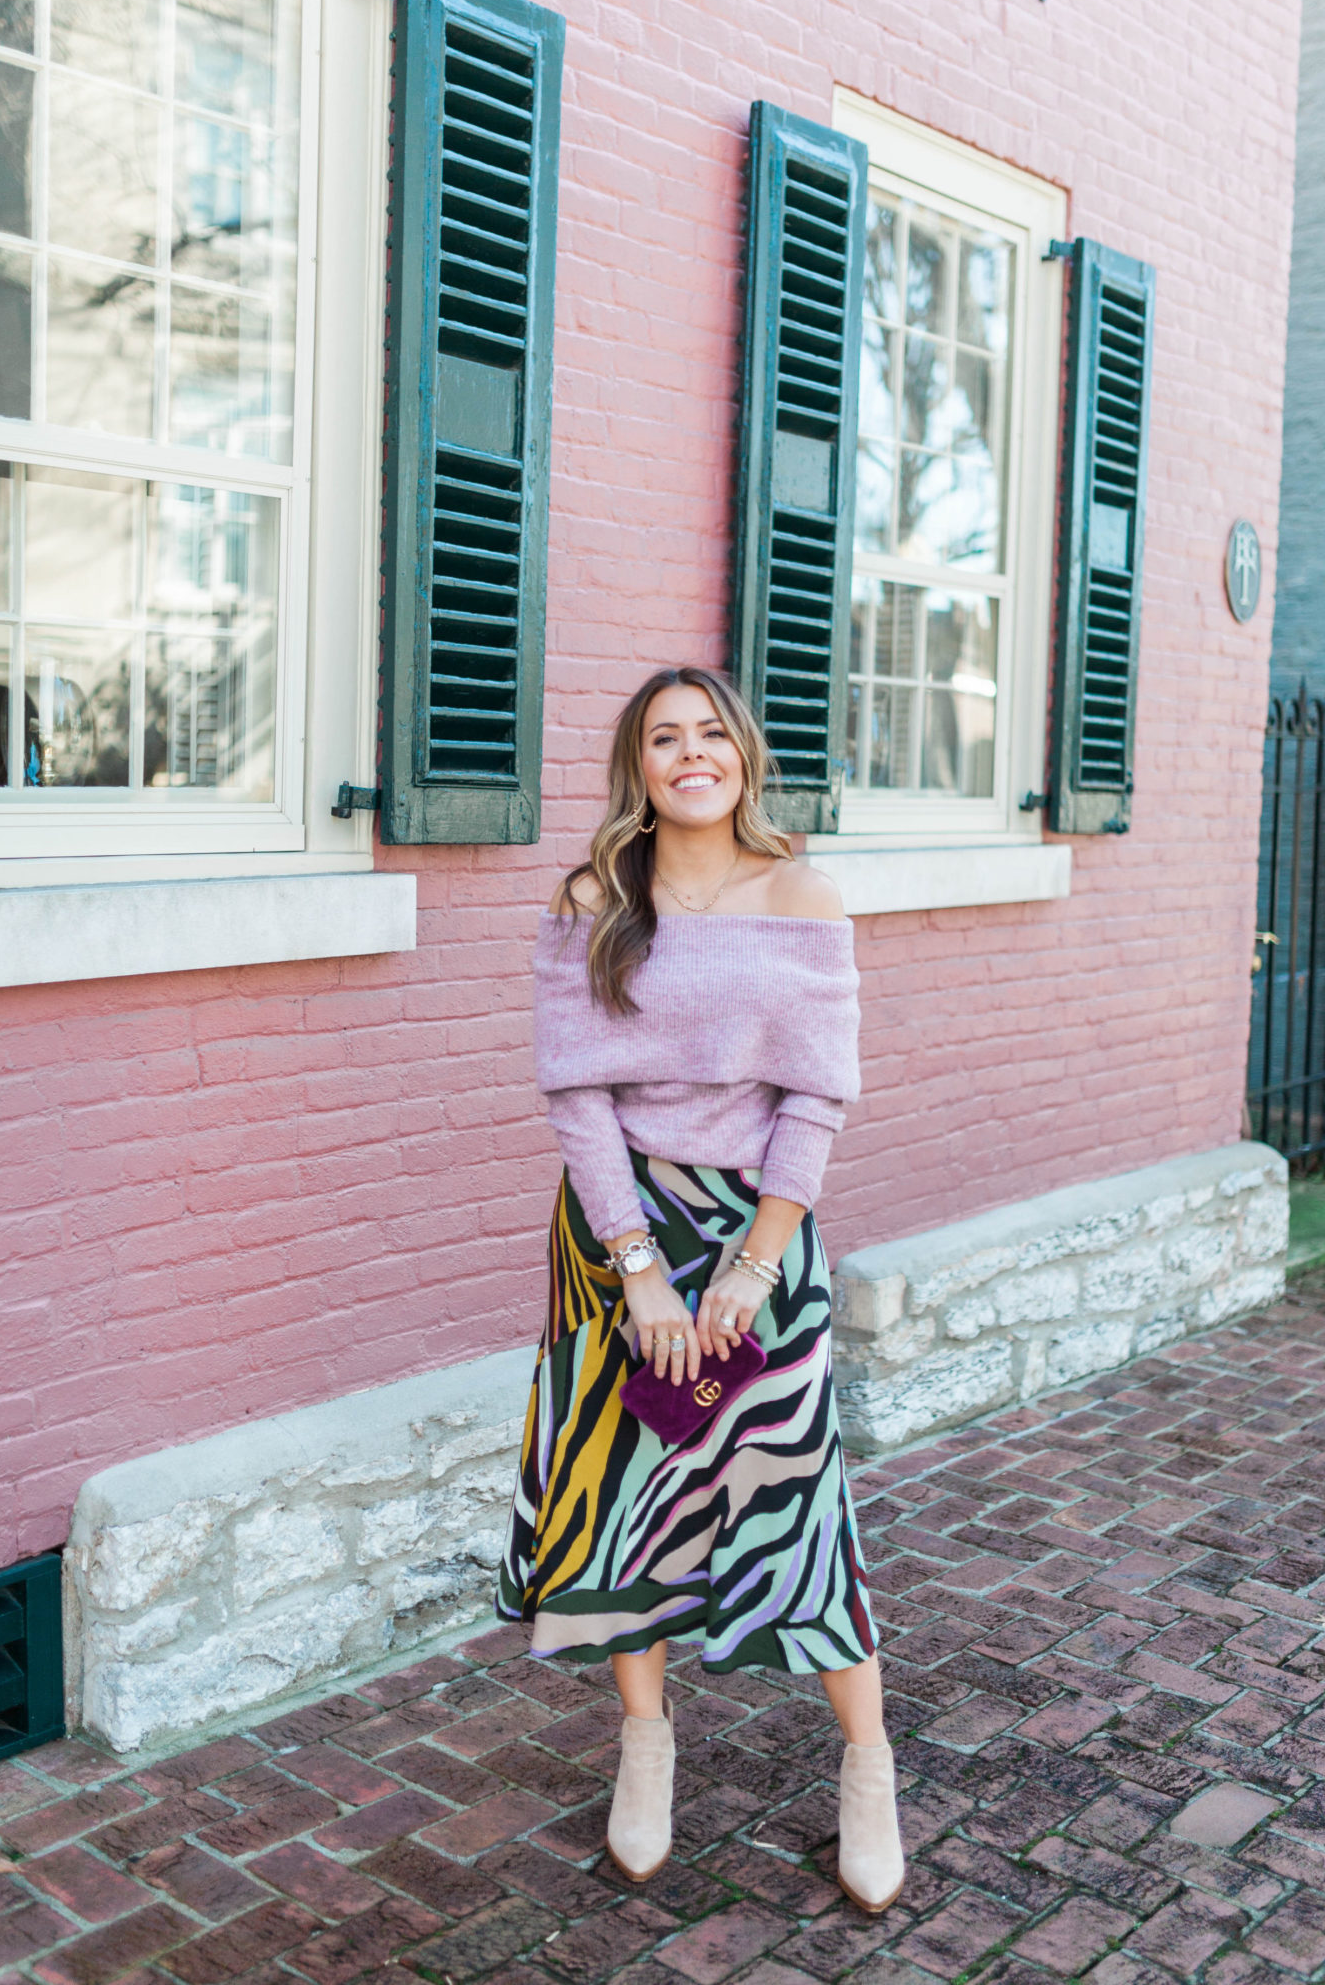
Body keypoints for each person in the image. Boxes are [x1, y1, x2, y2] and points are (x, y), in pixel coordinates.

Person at [496, 664, 904, 1914]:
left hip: (760, 1232)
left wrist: (754, 1259)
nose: (690, 754)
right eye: (665, 738)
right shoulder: (592, 898)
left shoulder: (803, 894)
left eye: (710, 735)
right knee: (623, 1493)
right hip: (618, 1234)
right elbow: (579, 1096)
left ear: (742, 757)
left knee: (793, 1498)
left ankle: (869, 1765)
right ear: (639, 767)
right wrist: (636, 1271)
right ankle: (645, 1747)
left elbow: (816, 1096)